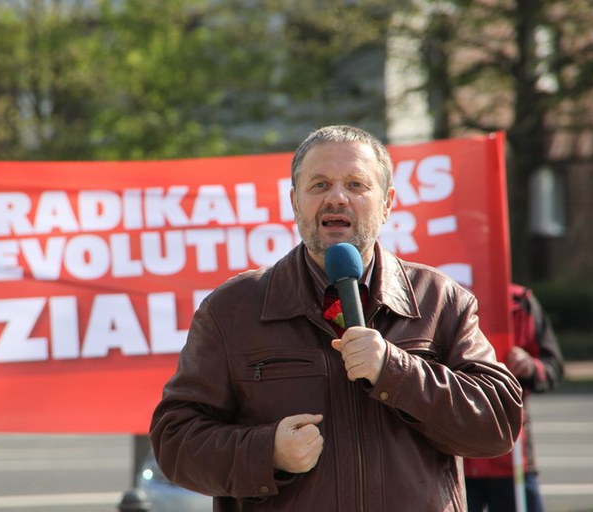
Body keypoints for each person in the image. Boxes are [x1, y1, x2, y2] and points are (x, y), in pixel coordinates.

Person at [149, 125, 523, 511]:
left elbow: (497, 425)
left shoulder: (441, 300)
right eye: (320, 185)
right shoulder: (232, 309)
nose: (337, 198)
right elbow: (175, 442)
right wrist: (266, 452)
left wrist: (395, 370)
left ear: (388, 202)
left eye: (357, 185)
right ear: (295, 202)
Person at [464, 284, 565, 512]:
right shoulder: (436, 295)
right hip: (456, 459)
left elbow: (554, 366)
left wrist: (530, 367)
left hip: (512, 457)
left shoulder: (520, 302)